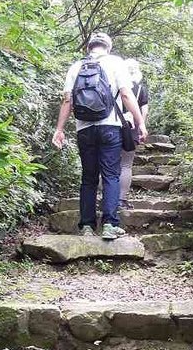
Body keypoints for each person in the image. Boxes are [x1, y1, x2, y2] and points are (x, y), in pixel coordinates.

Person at [52, 32, 148, 240]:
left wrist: (59, 129)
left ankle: (86, 226)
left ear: (89, 47)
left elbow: (67, 101)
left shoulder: (76, 67)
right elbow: (125, 94)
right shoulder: (116, 63)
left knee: (88, 178)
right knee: (111, 175)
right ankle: (109, 225)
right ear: (108, 47)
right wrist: (140, 123)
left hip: (84, 129)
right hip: (109, 126)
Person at [118, 58, 149, 209]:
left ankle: (106, 198)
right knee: (126, 165)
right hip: (130, 129)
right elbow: (144, 110)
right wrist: (140, 127)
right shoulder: (140, 89)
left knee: (107, 164)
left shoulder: (115, 84)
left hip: (110, 126)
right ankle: (121, 199)